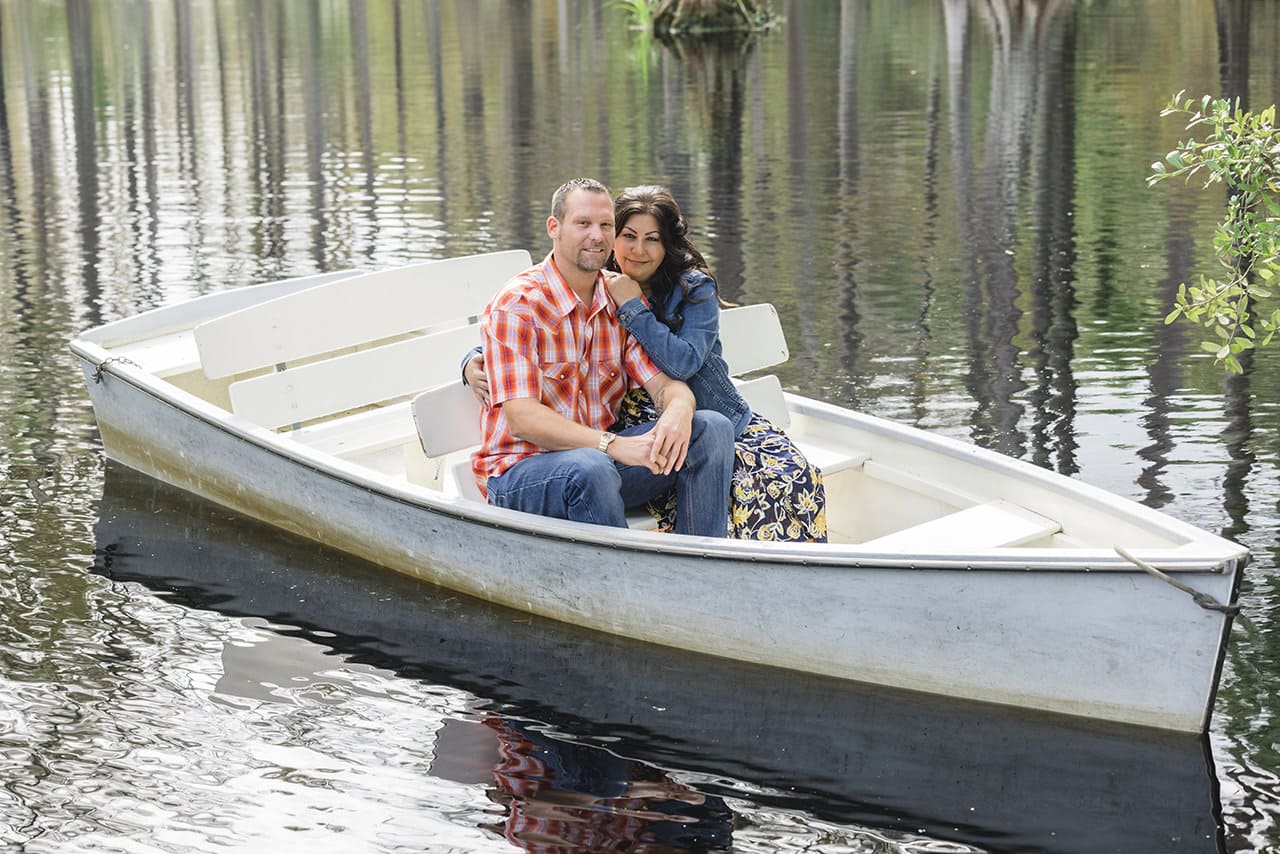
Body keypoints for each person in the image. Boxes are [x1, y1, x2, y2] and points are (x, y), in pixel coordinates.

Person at [470, 184, 827, 542]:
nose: (596, 236)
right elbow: (522, 418)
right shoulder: (518, 304)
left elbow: (668, 383)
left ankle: (699, 564)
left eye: (605, 225)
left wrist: (677, 411)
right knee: (590, 467)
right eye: (583, 224)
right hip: (523, 474)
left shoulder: (616, 301)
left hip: (602, 464)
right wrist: (612, 444)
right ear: (554, 227)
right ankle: (627, 585)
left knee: (711, 428)